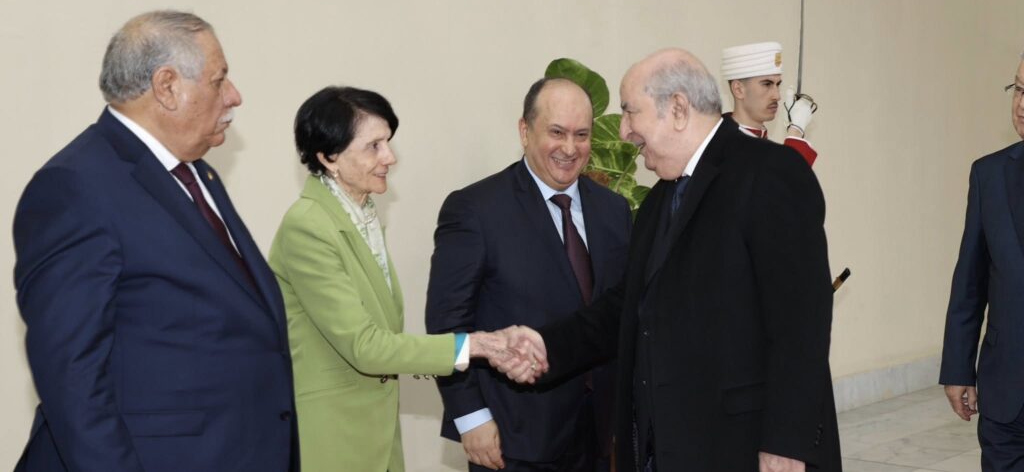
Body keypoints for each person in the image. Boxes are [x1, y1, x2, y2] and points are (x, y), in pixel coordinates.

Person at [494, 48, 841, 471]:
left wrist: (787, 443)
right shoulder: (661, 198)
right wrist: (548, 345)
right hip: (669, 447)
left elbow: (801, 321)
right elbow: (629, 306)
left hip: (744, 447)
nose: (623, 131)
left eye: (630, 112)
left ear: (677, 108)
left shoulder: (770, 173)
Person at [12, 11, 300, 471]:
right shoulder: (76, 187)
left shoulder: (196, 174)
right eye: (219, 79)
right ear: (167, 86)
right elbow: (72, 377)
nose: (234, 95)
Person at [268, 86, 528, 472]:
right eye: (374, 146)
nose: (389, 157)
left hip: (377, 436)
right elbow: (365, 346)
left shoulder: (363, 215)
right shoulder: (308, 225)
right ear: (329, 156)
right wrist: (473, 345)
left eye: (388, 142)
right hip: (333, 437)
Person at [426, 78, 632, 471]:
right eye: (556, 132)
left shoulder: (614, 211)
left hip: (598, 434)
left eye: (582, 135)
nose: (570, 149)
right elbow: (447, 323)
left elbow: (616, 310)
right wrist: (471, 417)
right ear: (525, 130)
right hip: (513, 436)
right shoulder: (476, 209)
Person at [940, 53, 1024, 472]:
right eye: (1020, 89)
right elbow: (970, 282)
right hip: (1007, 398)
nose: (1022, 104)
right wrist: (957, 369)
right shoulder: (988, 175)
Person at [721, 41, 819, 166]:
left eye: (778, 84)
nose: (777, 96)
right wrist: (795, 132)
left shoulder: (756, 140)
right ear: (738, 89)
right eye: (767, 84)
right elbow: (782, 182)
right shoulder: (723, 144)